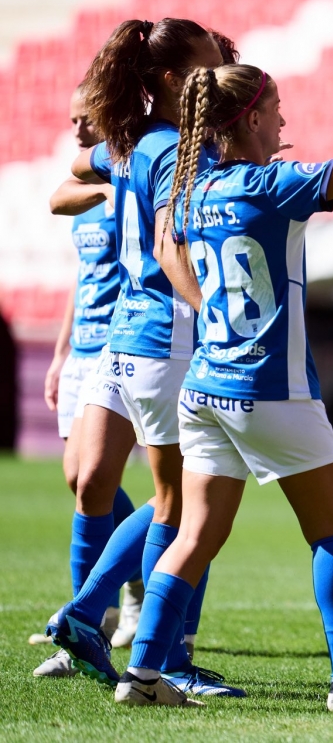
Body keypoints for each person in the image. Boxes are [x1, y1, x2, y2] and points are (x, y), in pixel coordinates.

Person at [119, 14, 333, 710]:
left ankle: (141, 676)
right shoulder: (271, 186)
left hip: (206, 386)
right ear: (250, 118)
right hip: (272, 389)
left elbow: (178, 252)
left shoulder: (195, 190)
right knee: (330, 535)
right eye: (277, 110)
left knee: (193, 536)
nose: (285, 122)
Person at [47, 18, 240, 697]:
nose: (215, 76)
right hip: (166, 334)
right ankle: (155, 654)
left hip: (119, 340)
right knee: (180, 504)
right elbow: (171, 246)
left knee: (106, 484)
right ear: (167, 79)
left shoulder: (131, 142)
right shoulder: (175, 153)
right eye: (207, 66)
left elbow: (79, 167)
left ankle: (85, 625)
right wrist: (217, 314)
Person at [30, 87, 143, 675]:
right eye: (71, 117)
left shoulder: (140, 170)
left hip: (128, 347)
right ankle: (115, 592)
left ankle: (104, 613)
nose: (76, 127)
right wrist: (58, 352)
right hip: (82, 351)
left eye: (86, 117)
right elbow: (84, 277)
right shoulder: (93, 184)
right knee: (80, 477)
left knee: (98, 481)